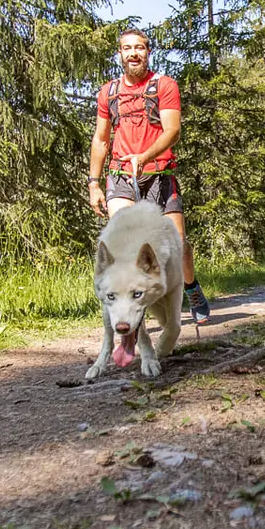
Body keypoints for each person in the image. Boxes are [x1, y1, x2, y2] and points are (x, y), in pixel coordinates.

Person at [88, 28, 211, 324]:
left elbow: (173, 131)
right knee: (123, 244)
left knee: (179, 245)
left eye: (139, 48)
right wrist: (93, 183)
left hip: (160, 176)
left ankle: (191, 288)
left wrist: (144, 157)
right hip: (120, 176)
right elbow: (101, 139)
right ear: (119, 53)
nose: (133, 53)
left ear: (148, 52)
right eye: (127, 48)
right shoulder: (109, 92)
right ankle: (131, 306)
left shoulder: (164, 86)